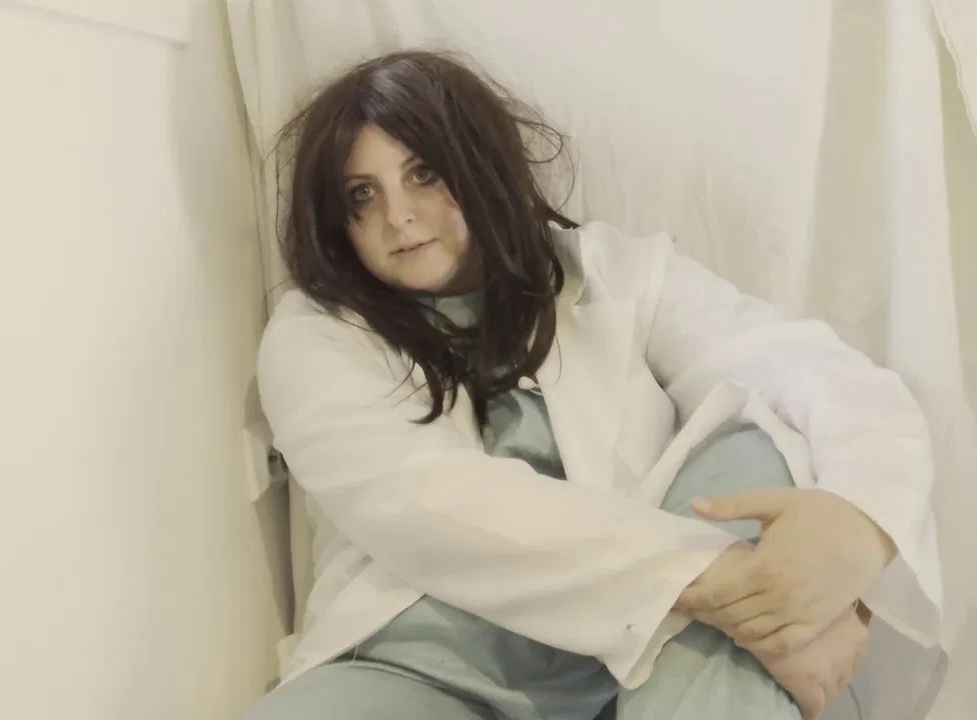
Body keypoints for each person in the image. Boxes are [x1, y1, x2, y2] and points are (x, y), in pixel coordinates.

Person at [239, 50, 940, 720]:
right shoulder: (315, 336)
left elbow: (815, 369)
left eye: (424, 173)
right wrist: (749, 595)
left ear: (479, 164)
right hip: (411, 671)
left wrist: (860, 525)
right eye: (362, 195)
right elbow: (427, 504)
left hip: (638, 670)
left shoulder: (609, 271)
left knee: (756, 445)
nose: (398, 216)